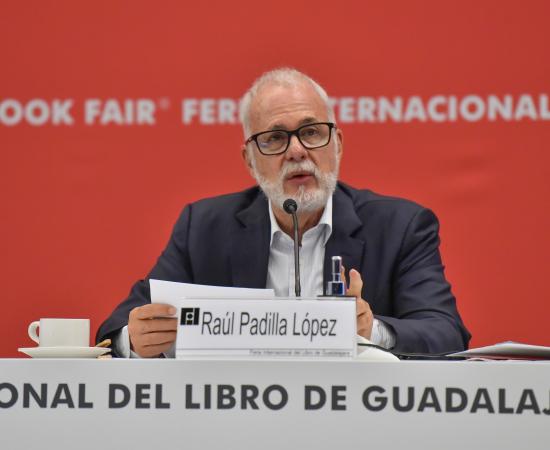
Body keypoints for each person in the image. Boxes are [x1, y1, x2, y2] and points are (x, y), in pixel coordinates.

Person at [97, 68, 470, 357]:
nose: (296, 151)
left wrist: (369, 330)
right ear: (249, 159)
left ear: (337, 144)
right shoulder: (203, 228)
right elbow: (117, 330)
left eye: (311, 132)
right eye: (274, 138)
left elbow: (446, 334)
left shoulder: (400, 226)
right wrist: (136, 339)